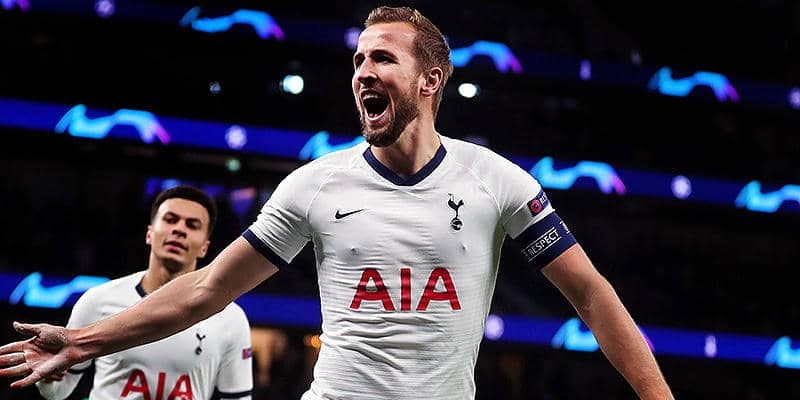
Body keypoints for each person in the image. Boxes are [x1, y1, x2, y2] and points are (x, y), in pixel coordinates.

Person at [0, 6, 672, 399]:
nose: (362, 74)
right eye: (357, 61)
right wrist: (82, 340)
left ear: (431, 79)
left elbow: (590, 295)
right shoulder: (314, 185)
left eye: (382, 59)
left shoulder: (498, 181)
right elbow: (206, 290)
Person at [31, 186, 253, 400]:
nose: (179, 229)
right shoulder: (97, 301)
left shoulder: (231, 319)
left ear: (204, 247)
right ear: (149, 233)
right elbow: (57, 392)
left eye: (192, 225)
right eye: (170, 220)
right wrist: (48, 379)